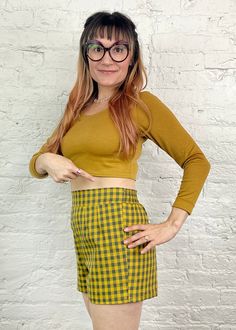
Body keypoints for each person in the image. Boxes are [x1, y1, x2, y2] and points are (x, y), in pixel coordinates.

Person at [28, 11, 211, 330]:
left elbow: (196, 159)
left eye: (118, 48)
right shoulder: (77, 109)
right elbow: (39, 160)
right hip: (82, 225)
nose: (107, 57)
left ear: (132, 56)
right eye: (97, 48)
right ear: (86, 55)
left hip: (118, 227)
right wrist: (48, 161)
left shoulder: (142, 105)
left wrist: (172, 224)